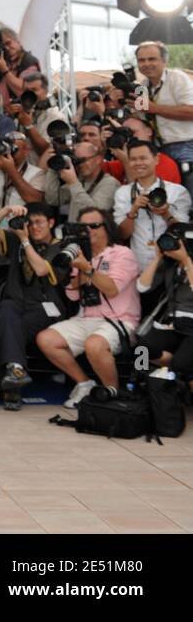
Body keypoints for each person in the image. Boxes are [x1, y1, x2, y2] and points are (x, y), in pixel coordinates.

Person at [36, 206, 141, 408]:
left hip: (120, 320)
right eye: (83, 227)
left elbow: (111, 289)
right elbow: (73, 295)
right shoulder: (80, 254)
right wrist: (74, 273)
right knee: (46, 339)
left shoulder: (122, 253)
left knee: (94, 344)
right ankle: (84, 383)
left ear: (107, 228)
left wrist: (87, 269)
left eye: (93, 226)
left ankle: (113, 393)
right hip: (86, 317)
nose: (88, 231)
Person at [0, 203, 66, 410]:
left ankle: (10, 388)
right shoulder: (16, 239)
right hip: (17, 302)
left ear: (51, 223)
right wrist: (6, 211)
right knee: (3, 309)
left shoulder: (62, 247)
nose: (33, 227)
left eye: (39, 222)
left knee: (10, 328)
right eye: (29, 223)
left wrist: (25, 240)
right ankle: (15, 371)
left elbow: (41, 270)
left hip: (46, 307)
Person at [113, 140, 192, 272]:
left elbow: (183, 233)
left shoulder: (177, 191)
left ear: (156, 159)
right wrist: (133, 211)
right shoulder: (123, 193)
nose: (138, 163)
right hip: (138, 265)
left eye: (143, 158)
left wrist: (166, 212)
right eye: (133, 159)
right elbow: (122, 235)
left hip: (171, 264)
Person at [135, 40, 193, 196]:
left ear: (164, 60)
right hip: (157, 150)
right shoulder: (141, 86)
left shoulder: (177, 78)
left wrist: (154, 108)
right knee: (168, 199)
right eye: (142, 60)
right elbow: (143, 121)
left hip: (185, 145)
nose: (146, 64)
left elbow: (191, 111)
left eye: (151, 59)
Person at [135, 227, 193, 377]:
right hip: (172, 324)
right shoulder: (170, 265)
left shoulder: (186, 263)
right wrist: (157, 258)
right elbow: (142, 287)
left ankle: (176, 371)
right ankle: (139, 377)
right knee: (141, 349)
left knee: (181, 364)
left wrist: (186, 260)